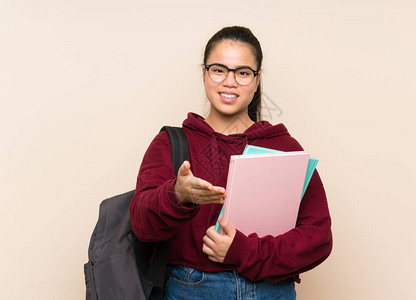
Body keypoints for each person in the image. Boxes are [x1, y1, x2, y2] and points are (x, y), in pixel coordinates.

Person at [129, 26, 332, 300]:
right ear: (204, 73)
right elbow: (141, 225)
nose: (229, 82)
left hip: (271, 292)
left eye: (243, 72)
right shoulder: (172, 143)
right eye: (219, 69)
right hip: (190, 290)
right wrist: (177, 194)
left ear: (257, 80)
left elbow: (318, 237)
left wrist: (244, 251)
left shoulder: (284, 147)